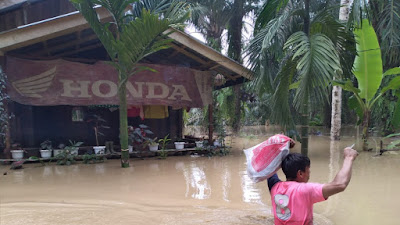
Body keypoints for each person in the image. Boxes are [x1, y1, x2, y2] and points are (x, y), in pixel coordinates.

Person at [267, 147, 358, 225]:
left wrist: (278, 149)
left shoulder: (274, 186)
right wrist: (349, 157)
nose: (309, 173)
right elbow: (340, 184)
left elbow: (269, 169)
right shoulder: (305, 190)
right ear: (300, 173)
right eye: (308, 170)